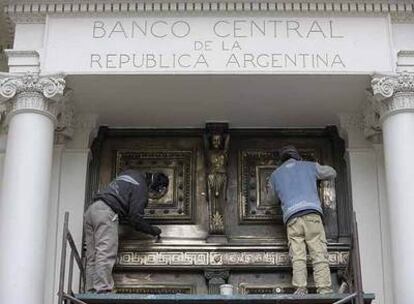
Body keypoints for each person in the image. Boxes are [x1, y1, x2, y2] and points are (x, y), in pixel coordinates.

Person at [84, 169, 168, 293]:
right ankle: (103, 290)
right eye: (153, 195)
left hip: (92, 210)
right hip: (106, 213)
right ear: (155, 188)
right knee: (105, 253)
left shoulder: (131, 174)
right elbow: (135, 219)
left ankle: (90, 290)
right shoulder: (141, 187)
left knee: (93, 255)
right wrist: (153, 230)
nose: (151, 197)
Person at [268, 145, 336, 295]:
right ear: (297, 156)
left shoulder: (275, 175)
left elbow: (271, 200)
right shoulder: (309, 166)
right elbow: (332, 172)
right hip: (312, 215)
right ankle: (324, 289)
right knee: (318, 252)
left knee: (297, 255)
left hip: (292, 218)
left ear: (282, 160)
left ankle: (300, 288)